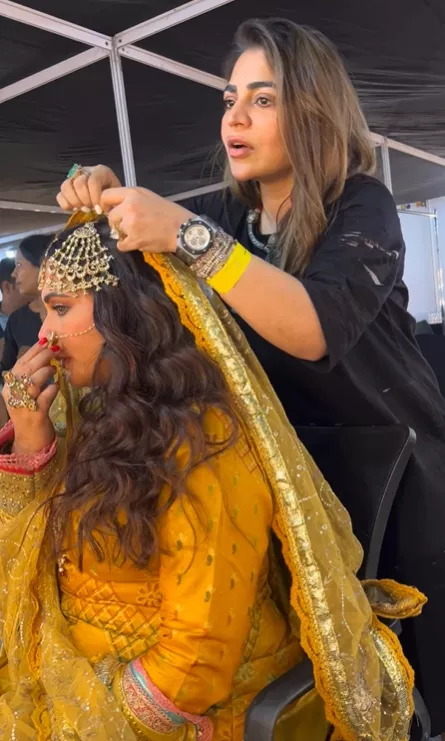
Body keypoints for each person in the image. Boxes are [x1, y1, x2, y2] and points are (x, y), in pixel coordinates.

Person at [56, 18, 445, 737]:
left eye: (262, 100)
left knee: (410, 664)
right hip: (287, 470)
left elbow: (312, 326)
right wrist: (110, 197)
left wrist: (184, 234)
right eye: (230, 98)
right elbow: (143, 266)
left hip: (392, 462)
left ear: (314, 110)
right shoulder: (225, 214)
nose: (234, 117)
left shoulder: (361, 205)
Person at [0, 216, 422, 741]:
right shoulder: (81, 413)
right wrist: (30, 443)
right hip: (73, 672)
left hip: (181, 707)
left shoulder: (203, 440)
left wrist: (86, 721)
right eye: (44, 311)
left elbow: (197, 657)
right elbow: (24, 565)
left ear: (124, 313)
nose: (44, 334)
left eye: (61, 309)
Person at [0, 234, 52, 372]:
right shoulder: (16, 321)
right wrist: (20, 365)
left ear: (43, 265)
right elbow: (4, 372)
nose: (13, 274)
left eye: (19, 265)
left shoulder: (76, 310)